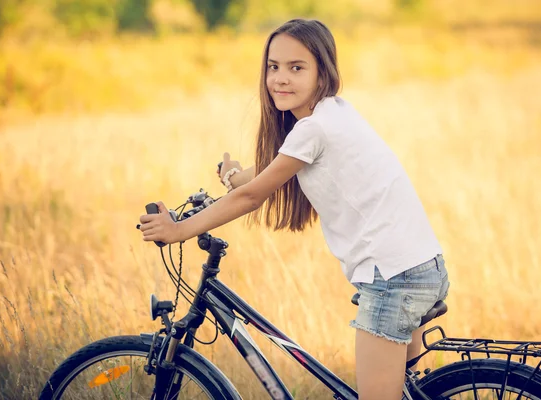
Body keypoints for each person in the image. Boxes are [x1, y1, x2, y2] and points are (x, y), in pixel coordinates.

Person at [139, 18, 450, 400]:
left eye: (296, 68)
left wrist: (177, 230)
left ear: (324, 74)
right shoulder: (334, 114)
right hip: (421, 266)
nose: (280, 79)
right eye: (274, 67)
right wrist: (235, 174)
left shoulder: (312, 130)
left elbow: (252, 197)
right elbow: (269, 171)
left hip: (393, 280)